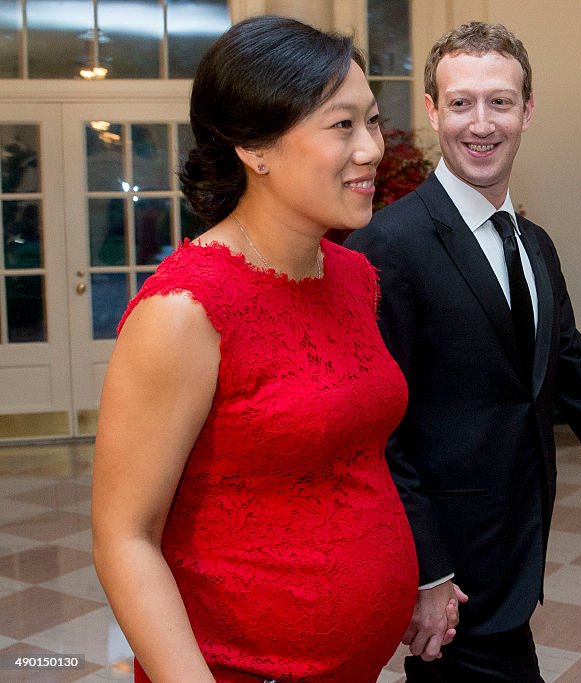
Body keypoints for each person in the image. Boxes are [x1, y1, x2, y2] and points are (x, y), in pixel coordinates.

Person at [345, 21, 581, 682]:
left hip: (517, 548)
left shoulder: (535, 243)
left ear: (528, 110)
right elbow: (380, 430)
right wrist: (428, 568)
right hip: (450, 568)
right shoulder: (388, 245)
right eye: (461, 103)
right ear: (432, 109)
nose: (480, 123)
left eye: (500, 102)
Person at [91, 16, 420, 682]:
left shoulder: (355, 278)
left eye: (373, 121)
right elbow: (124, 538)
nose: (371, 149)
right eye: (341, 126)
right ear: (255, 147)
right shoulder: (185, 311)